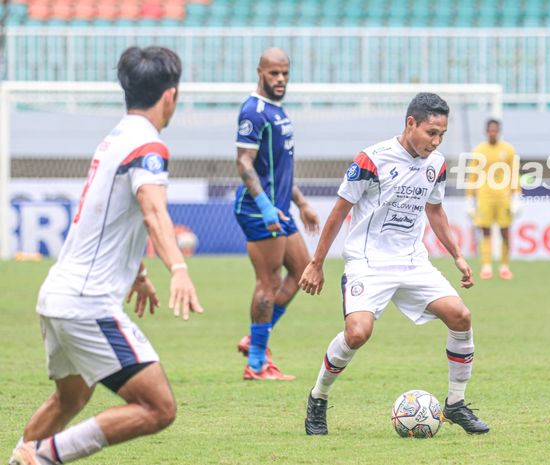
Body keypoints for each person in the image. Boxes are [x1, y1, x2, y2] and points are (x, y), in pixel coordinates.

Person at [8, 46, 204, 465]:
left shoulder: (115, 138)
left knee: (71, 397)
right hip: (86, 303)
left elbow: (108, 218)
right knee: (158, 407)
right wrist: (179, 268)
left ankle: (20, 458)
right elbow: (154, 211)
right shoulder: (149, 146)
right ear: (171, 95)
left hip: (58, 296)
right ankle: (41, 457)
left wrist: (138, 273)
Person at [299, 93, 490, 436]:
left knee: (461, 316)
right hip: (368, 262)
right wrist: (316, 263)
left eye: (442, 135)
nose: (436, 142)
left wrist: (457, 255)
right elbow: (339, 212)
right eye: (431, 132)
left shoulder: (437, 164)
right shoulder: (371, 160)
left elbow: (435, 211)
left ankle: (456, 404)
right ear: (410, 123)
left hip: (412, 261)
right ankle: (318, 397)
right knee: (358, 334)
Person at [234, 47, 320, 381]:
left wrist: (301, 203)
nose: (280, 79)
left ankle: (255, 337)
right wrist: (267, 207)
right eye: (274, 73)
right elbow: (244, 162)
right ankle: (256, 363)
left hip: (280, 207)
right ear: (260, 72)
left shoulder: (278, 112)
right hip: (259, 211)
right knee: (267, 283)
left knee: (301, 271)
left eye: (284, 72)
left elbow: (277, 171)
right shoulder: (253, 111)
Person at [466, 119, 519, 280]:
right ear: (486, 131)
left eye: (495, 130)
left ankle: (504, 266)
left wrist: (516, 196)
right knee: (485, 232)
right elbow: (472, 175)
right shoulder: (478, 150)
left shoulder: (508, 150)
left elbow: (514, 173)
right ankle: (486, 266)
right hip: (484, 197)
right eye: (490, 130)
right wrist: (469, 200)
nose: (493, 133)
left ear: (499, 131)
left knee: (505, 232)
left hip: (503, 197)